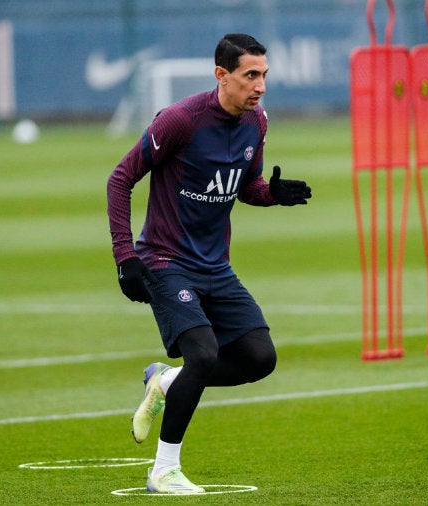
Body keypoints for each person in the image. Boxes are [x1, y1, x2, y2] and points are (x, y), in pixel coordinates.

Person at [106, 33, 311, 494]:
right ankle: (163, 470)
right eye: (250, 75)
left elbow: (247, 186)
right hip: (165, 259)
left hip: (217, 267)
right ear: (222, 76)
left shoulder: (256, 123)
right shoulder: (180, 120)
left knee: (260, 359)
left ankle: (165, 380)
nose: (259, 86)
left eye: (264, 76)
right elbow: (120, 179)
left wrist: (272, 196)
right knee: (204, 354)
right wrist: (126, 257)